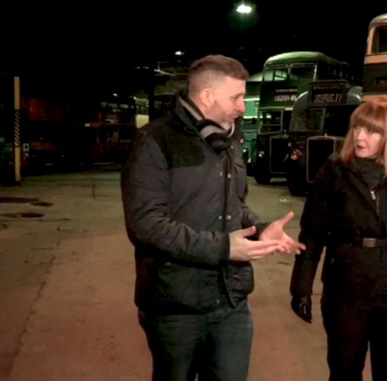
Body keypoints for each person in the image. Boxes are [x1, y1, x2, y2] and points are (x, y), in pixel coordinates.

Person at [121, 54, 304, 381]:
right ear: (207, 96)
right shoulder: (155, 142)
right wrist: (223, 248)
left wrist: (260, 229)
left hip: (231, 301)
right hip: (175, 306)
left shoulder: (229, 140)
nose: (241, 107)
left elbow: (234, 204)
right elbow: (146, 224)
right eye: (236, 97)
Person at [290, 98, 387, 381]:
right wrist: (301, 287)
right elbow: (312, 234)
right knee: (344, 370)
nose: (360, 136)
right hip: (346, 291)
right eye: (357, 127)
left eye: (371, 130)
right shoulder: (335, 170)